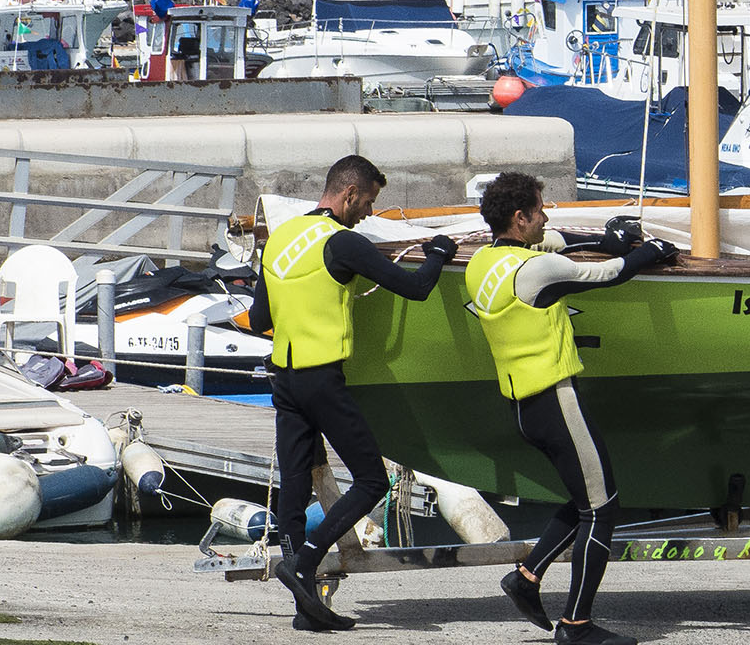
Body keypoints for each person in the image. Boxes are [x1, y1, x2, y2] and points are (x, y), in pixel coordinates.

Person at [468, 172, 679, 645]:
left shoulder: (483, 262)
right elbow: (607, 274)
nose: (546, 218)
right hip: (557, 401)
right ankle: (576, 626)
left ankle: (525, 578)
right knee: (603, 509)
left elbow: (558, 242)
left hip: (524, 407)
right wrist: (652, 251)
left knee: (584, 499)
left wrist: (604, 238)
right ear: (520, 218)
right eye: (540, 211)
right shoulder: (535, 271)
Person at [256, 154, 458, 631]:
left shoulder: (278, 238)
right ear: (348, 194)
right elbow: (415, 288)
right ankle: (305, 562)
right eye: (368, 202)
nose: (368, 211)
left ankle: (304, 607)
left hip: (284, 381)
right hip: (322, 380)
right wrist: (440, 253)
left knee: (294, 483)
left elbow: (262, 319)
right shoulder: (342, 243)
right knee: (373, 481)